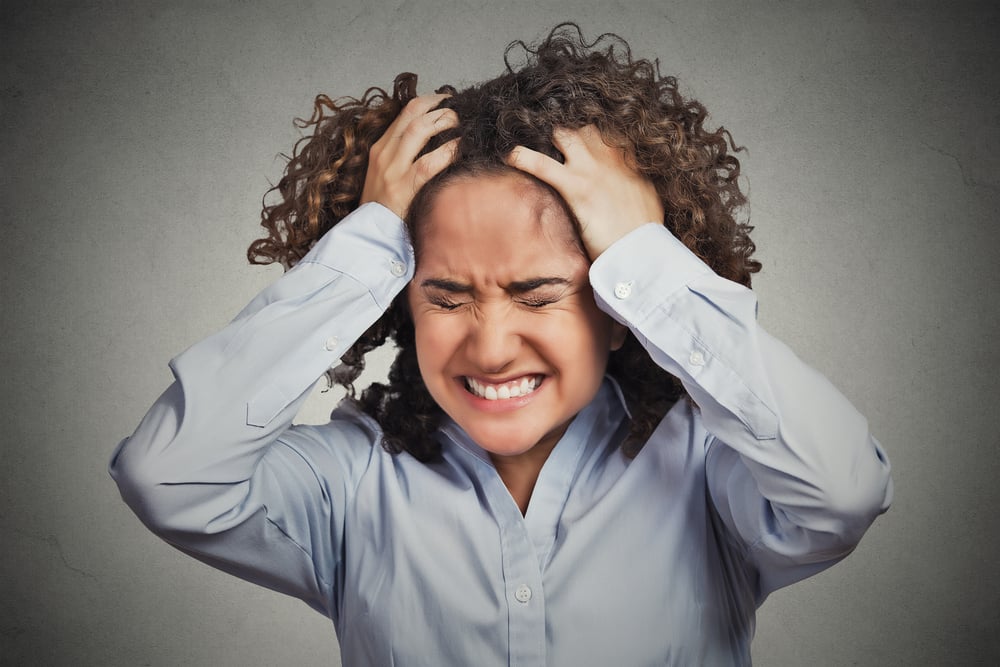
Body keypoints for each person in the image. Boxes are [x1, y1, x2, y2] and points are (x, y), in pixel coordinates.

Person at [110, 23, 892, 665]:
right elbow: (168, 474)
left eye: (539, 294)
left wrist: (645, 256)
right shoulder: (350, 486)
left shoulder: (708, 470)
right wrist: (364, 248)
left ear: (618, 307)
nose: (489, 347)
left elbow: (844, 489)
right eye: (445, 296)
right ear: (401, 300)